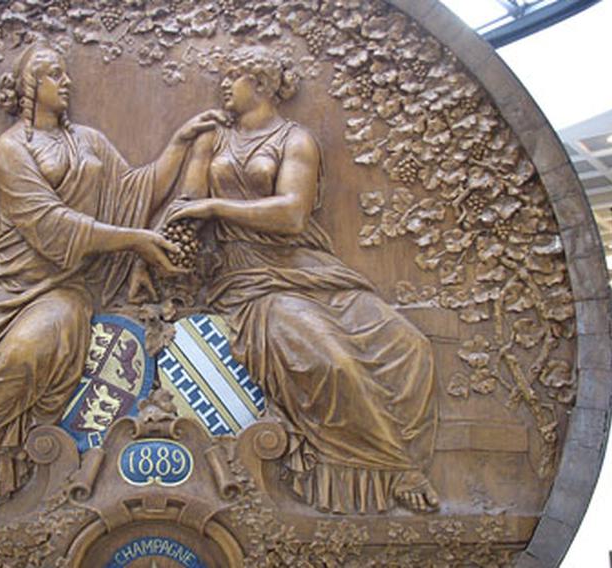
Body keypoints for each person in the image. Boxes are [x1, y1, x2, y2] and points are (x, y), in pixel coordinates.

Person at [0, 44, 222, 518]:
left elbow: (135, 190)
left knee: (27, 353)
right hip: (4, 275)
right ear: (29, 87)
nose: (64, 82)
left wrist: (178, 143)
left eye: (64, 73)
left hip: (64, 285)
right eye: (52, 74)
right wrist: (134, 240)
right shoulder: (11, 148)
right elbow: (49, 224)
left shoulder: (88, 141)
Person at [166, 46, 439, 514]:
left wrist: (214, 206)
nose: (224, 85)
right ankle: (395, 467)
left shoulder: (296, 139)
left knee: (411, 346)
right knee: (332, 359)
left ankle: (406, 458)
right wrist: (187, 175)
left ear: (263, 83)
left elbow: (292, 214)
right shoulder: (212, 139)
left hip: (307, 266)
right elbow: (187, 204)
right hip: (249, 278)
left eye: (234, 75)